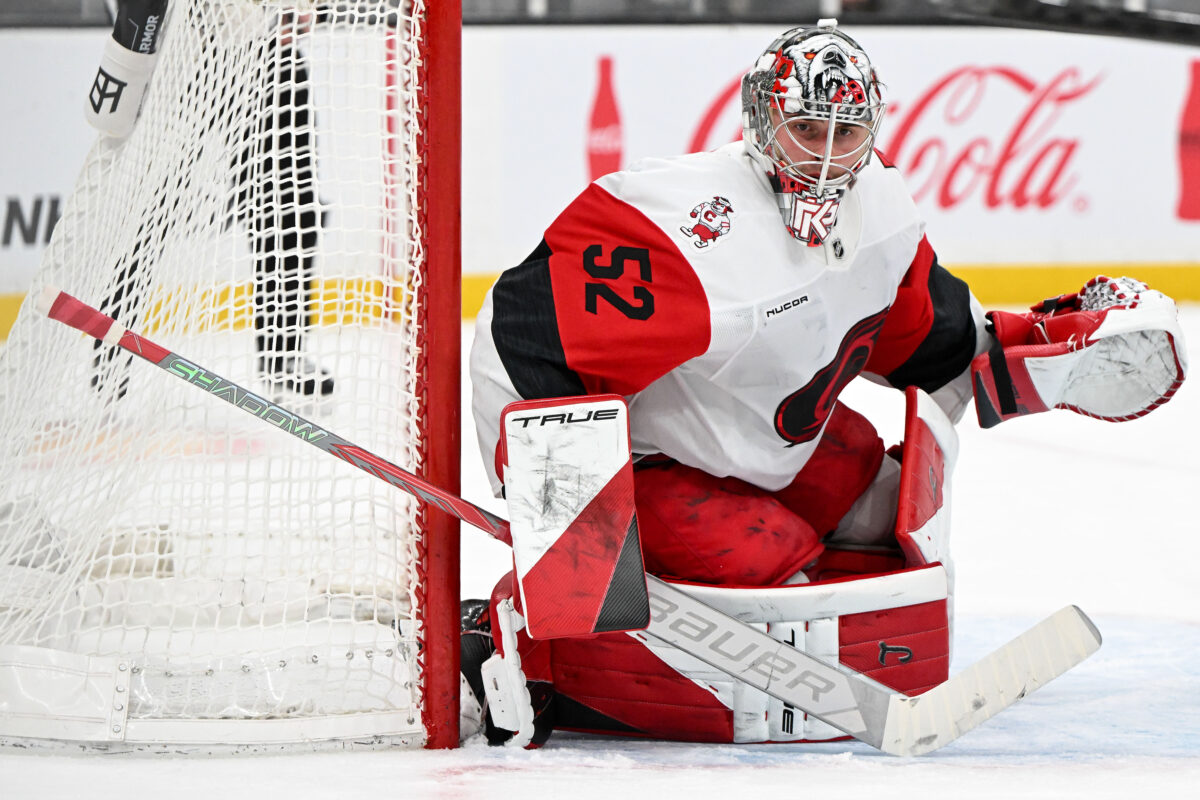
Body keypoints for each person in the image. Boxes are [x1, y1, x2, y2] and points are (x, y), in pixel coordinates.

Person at [462, 20, 1186, 747]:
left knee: (874, 496)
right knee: (767, 553)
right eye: (807, 127)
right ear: (761, 119)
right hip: (651, 457)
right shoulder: (683, 229)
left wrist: (1035, 353)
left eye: (848, 132)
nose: (828, 157)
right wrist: (561, 511)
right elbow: (520, 332)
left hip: (758, 439)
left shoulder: (884, 211)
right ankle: (514, 634)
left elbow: (926, 335)